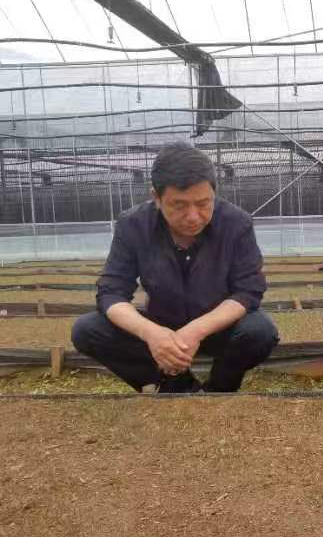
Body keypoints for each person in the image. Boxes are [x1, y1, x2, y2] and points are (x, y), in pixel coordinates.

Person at [72, 142, 279, 393]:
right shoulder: (133, 225)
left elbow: (248, 290)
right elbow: (111, 292)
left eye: (203, 203)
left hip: (217, 327)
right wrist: (151, 333)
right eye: (179, 205)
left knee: (259, 331)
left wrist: (196, 330)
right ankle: (175, 385)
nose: (193, 216)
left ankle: (220, 388)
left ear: (213, 193)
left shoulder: (236, 223)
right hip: (162, 326)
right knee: (87, 330)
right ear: (156, 198)